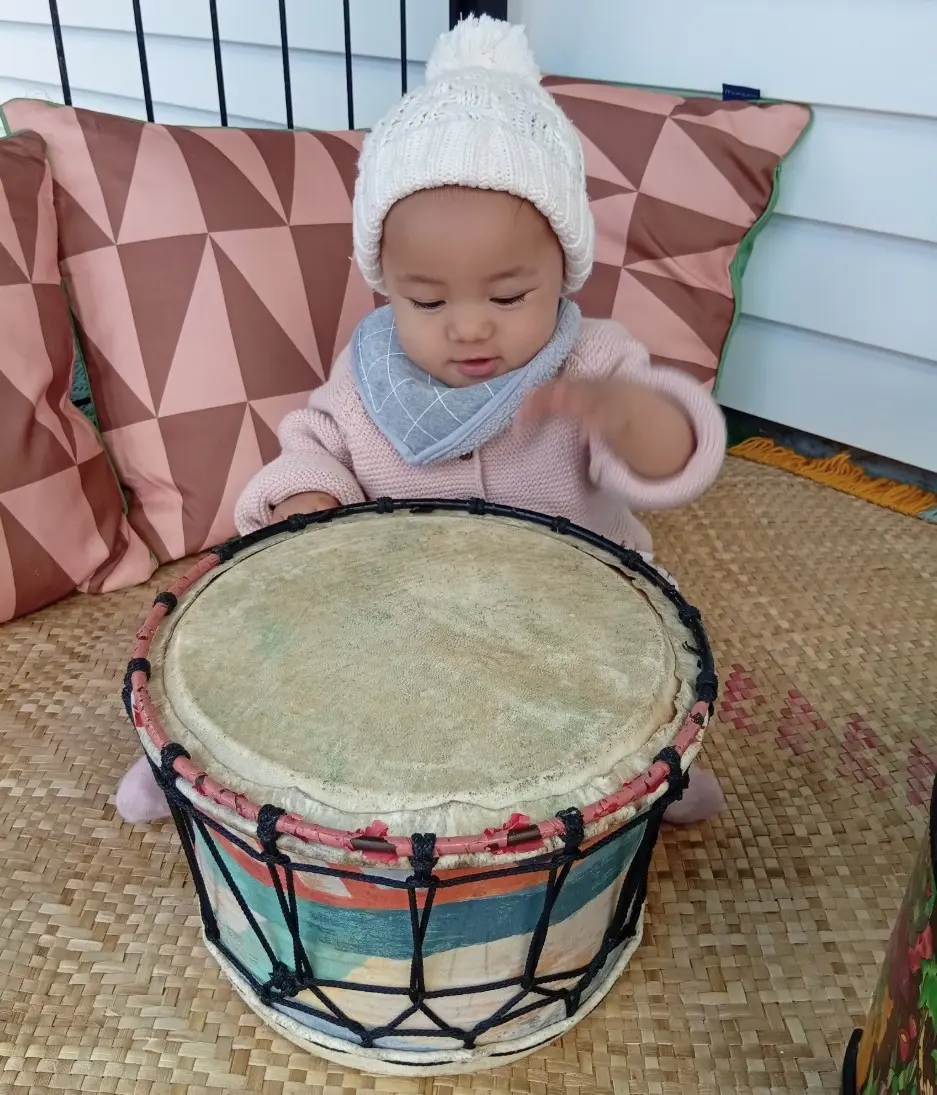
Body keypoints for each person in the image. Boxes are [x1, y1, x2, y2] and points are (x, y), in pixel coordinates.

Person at [116, 15, 726, 826]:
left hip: (558, 611)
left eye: (508, 295)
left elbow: (671, 459)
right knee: (278, 651)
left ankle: (647, 770)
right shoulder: (371, 373)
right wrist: (309, 500)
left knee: (622, 677)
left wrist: (631, 416)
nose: (468, 326)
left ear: (563, 269)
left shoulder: (592, 363)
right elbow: (315, 445)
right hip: (398, 611)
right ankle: (201, 759)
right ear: (387, 285)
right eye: (427, 301)